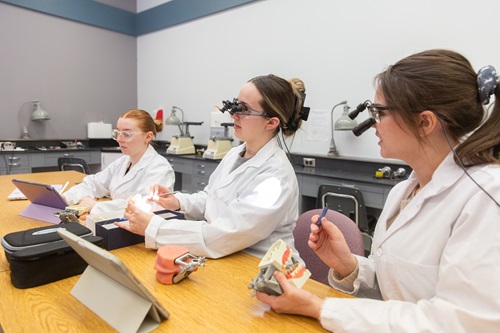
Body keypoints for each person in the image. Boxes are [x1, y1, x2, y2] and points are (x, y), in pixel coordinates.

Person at [256, 49, 500, 332]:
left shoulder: (485, 197)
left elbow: (461, 323)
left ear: (424, 122)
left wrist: (321, 308)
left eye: (379, 112)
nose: (372, 124)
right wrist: (349, 266)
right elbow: (395, 290)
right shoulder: (403, 192)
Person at [116, 74, 308, 262]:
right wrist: (177, 202)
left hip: (262, 266)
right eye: (235, 105)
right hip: (230, 255)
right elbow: (212, 198)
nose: (233, 114)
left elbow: (224, 235)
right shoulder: (236, 154)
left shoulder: (276, 177)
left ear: (271, 122)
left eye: (244, 109)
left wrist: (153, 227)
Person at [63, 109, 175, 214]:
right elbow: (94, 184)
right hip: (116, 221)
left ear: (148, 136)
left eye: (126, 134)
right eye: (118, 133)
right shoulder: (122, 162)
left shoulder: (159, 168)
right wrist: (66, 197)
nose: (119, 139)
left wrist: (96, 207)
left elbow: (145, 206)